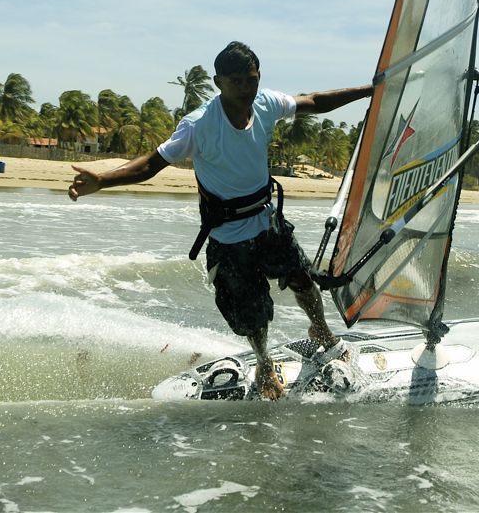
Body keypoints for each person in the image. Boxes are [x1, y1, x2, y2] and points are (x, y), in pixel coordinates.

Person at [68, 41, 373, 400]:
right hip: (228, 236)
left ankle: (320, 330)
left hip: (267, 221)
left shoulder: (266, 103)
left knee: (302, 279)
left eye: (252, 80)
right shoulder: (198, 125)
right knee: (252, 313)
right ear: (218, 82)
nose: (247, 89)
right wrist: (103, 180)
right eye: (237, 82)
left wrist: (370, 91)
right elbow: (151, 164)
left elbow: (314, 101)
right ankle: (263, 361)